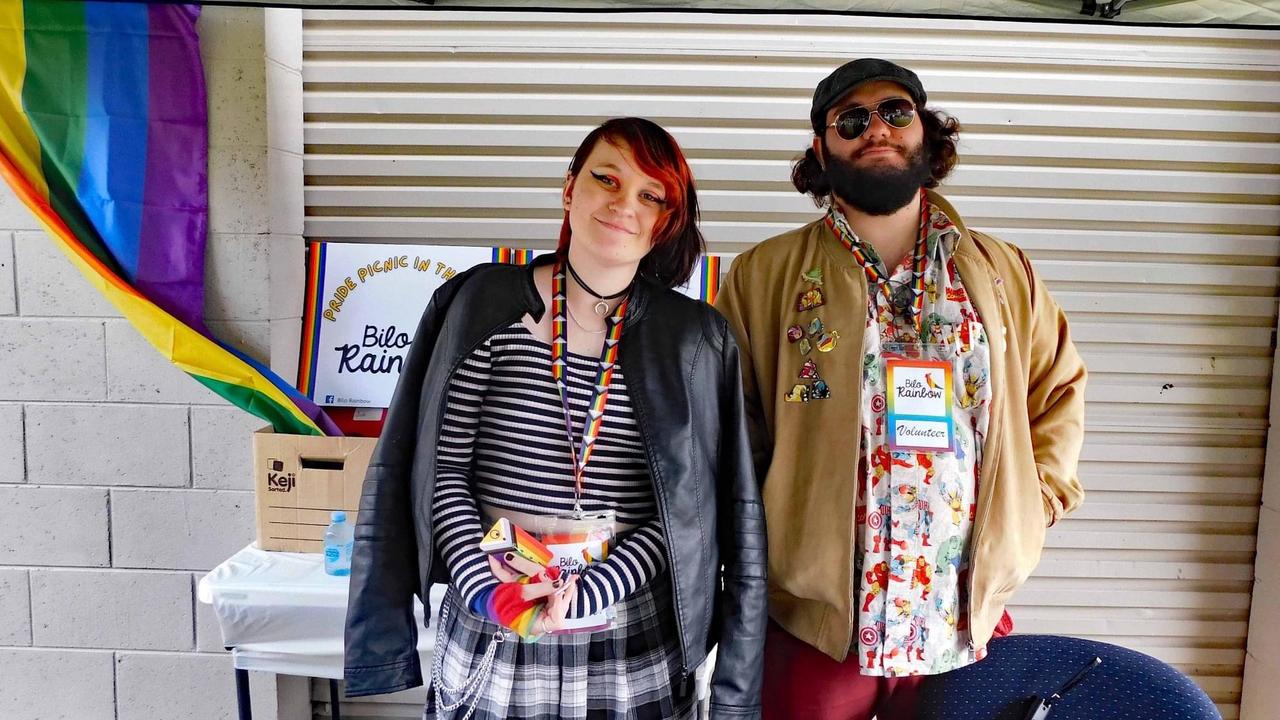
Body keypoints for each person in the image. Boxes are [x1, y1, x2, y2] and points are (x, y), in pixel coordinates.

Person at [343, 117, 767, 720]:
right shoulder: (482, 306)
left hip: (628, 641)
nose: (626, 205)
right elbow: (440, 476)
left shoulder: (693, 339)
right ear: (570, 189)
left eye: (652, 195)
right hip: (492, 626)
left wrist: (592, 588)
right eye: (608, 180)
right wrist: (495, 591)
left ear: (666, 220)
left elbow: (689, 511)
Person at [714, 58, 1087, 719]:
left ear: (927, 133)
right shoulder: (765, 275)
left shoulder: (1001, 271)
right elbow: (728, 424)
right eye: (851, 120)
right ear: (821, 150)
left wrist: (1035, 505)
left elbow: (1057, 389)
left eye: (894, 112)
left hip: (961, 623)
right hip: (819, 629)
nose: (875, 130)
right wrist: (777, 530)